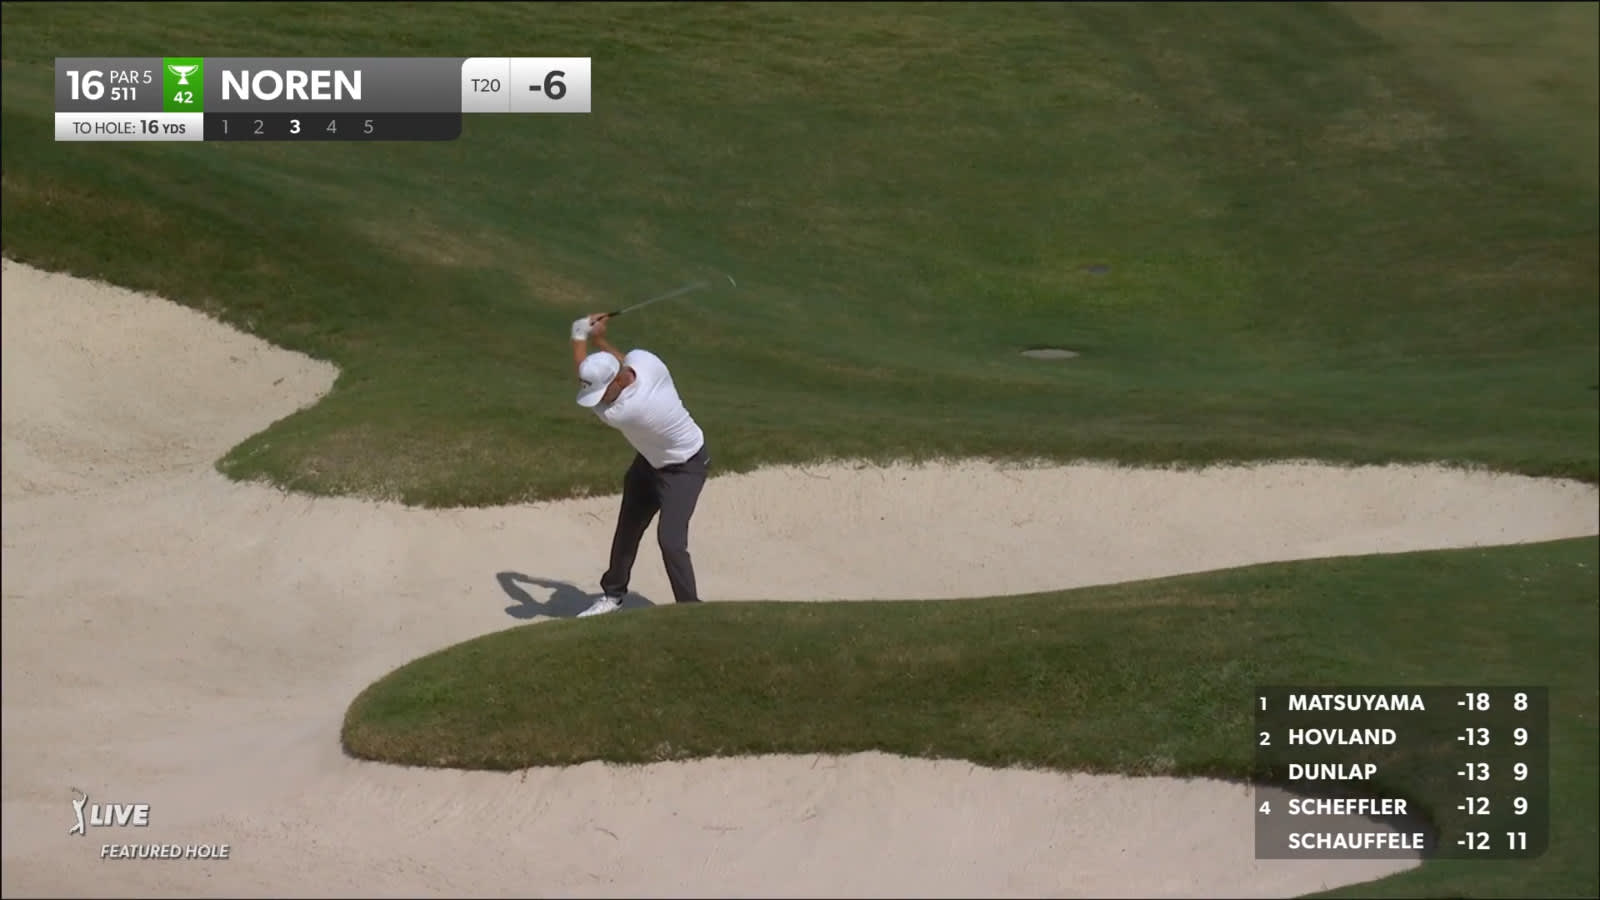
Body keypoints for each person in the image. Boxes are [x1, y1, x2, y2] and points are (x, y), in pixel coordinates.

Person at [569, 312, 711, 617]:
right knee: (627, 530)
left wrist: (579, 334)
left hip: (686, 466)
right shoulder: (645, 361)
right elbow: (621, 362)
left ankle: (692, 612)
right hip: (649, 462)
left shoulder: (625, 411)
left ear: (617, 381)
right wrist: (600, 340)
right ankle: (613, 595)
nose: (596, 400)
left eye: (600, 393)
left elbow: (585, 370)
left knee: (671, 541)